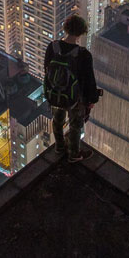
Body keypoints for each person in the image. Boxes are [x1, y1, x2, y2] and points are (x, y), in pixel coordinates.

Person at [43, 15, 101, 162]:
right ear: (82, 32)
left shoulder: (53, 47)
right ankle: (74, 153)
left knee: (57, 121)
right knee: (75, 125)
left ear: (66, 28)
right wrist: (92, 99)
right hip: (75, 97)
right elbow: (89, 80)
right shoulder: (83, 54)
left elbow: (46, 69)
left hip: (56, 93)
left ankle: (59, 146)